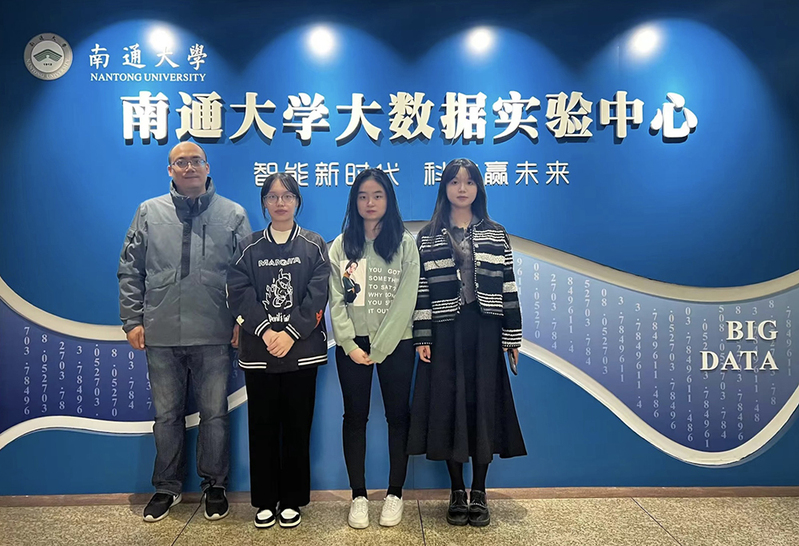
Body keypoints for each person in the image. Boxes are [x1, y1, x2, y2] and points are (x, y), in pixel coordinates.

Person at [118, 142, 251, 522]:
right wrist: (132, 320)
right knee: (166, 417)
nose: (189, 167)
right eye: (181, 162)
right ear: (170, 170)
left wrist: (241, 322)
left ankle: (215, 486)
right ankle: (166, 487)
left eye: (196, 161)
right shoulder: (149, 212)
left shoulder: (233, 214)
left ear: (207, 167)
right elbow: (130, 270)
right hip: (160, 333)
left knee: (214, 415)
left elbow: (247, 276)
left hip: (214, 333)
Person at [407, 158, 526, 527]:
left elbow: (508, 285)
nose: (462, 188)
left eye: (469, 182)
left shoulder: (495, 233)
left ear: (478, 188)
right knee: (448, 406)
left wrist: (512, 336)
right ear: (444, 188)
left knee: (482, 406)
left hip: (485, 329)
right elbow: (421, 291)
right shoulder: (427, 236)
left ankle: (480, 490)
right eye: (455, 182)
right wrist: (423, 335)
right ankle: (456, 490)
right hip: (445, 331)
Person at [226, 172, 330, 529]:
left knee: (298, 428)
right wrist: (268, 331)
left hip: (302, 351)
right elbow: (238, 292)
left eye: (287, 196)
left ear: (297, 201)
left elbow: (318, 294)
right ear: (264, 204)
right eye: (272, 197)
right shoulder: (249, 247)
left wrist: (290, 333)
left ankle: (292, 500)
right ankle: (265, 500)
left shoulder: (314, 245)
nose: (280, 202)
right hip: (260, 350)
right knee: (263, 428)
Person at [328, 168, 420, 528]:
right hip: (353, 346)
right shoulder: (342, 245)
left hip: (396, 343)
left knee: (398, 416)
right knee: (354, 417)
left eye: (377, 195)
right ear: (354, 201)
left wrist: (381, 347)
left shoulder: (404, 243)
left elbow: (407, 298)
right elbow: (337, 299)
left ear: (388, 200)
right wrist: (349, 343)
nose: (370, 202)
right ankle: (359, 496)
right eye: (363, 196)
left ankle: (395, 493)